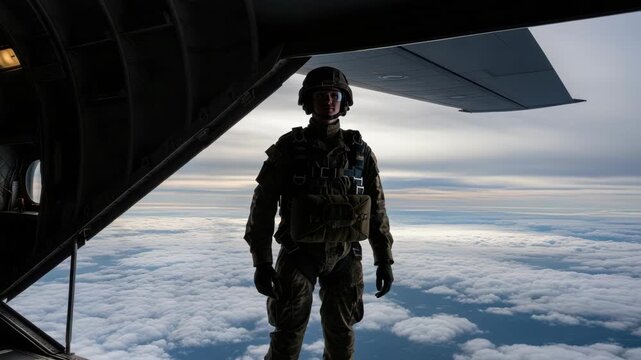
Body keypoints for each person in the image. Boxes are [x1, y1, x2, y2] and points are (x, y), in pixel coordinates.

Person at [244, 66, 394, 359]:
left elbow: (377, 208)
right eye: (321, 95)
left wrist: (384, 259)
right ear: (308, 101)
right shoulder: (289, 147)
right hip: (298, 254)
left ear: (344, 101)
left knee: (342, 336)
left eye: (334, 95)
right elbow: (261, 206)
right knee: (287, 334)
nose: (328, 100)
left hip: (346, 254)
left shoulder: (359, 151)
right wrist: (261, 262)